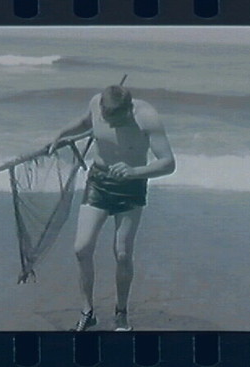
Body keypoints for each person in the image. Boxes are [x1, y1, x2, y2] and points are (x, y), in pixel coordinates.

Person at [50, 84, 175, 331]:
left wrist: (134, 171)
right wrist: (60, 134)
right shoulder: (97, 103)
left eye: (117, 121)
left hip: (131, 186)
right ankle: (87, 311)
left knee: (122, 253)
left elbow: (168, 163)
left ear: (129, 109)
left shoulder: (147, 117)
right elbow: (85, 122)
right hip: (99, 181)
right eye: (107, 119)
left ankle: (121, 313)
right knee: (81, 248)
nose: (112, 126)